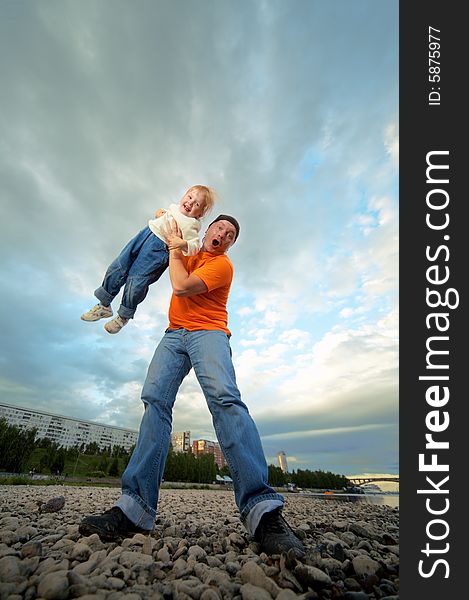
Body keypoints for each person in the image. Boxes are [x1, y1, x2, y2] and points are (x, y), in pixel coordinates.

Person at [79, 215, 305, 558]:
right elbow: (156, 256)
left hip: (209, 333)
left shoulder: (222, 266)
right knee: (154, 401)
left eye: (230, 235)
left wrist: (174, 248)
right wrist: (162, 225)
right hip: (174, 335)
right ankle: (133, 509)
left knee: (225, 398)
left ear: (229, 244)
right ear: (208, 230)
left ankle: (263, 512)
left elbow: (181, 285)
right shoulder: (186, 250)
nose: (223, 235)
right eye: (219, 228)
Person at [80, 185, 215, 334]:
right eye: (190, 197)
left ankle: (123, 316)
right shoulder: (174, 208)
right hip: (145, 235)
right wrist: (159, 213)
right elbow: (161, 214)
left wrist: (181, 243)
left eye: (196, 204)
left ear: (200, 214)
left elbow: (194, 247)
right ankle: (104, 304)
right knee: (118, 266)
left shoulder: (192, 225)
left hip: (158, 250)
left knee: (136, 281)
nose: (190, 203)